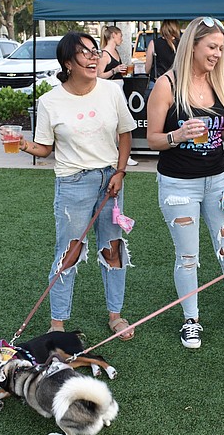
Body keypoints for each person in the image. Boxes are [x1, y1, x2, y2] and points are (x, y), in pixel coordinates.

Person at [146, 16, 224, 349]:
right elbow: (152, 139)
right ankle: (191, 321)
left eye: (221, 48)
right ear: (192, 46)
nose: (217, 54)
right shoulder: (167, 85)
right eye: (212, 47)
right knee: (187, 257)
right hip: (179, 185)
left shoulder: (219, 80)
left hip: (218, 181)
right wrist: (178, 134)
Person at [17, 31, 137, 340]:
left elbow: (125, 133)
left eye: (95, 51)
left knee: (113, 248)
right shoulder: (49, 102)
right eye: (85, 53)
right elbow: (45, 148)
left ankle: (116, 316)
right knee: (69, 252)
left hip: (111, 179)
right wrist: (23, 144)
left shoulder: (111, 91)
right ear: (68, 63)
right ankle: (57, 323)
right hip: (73, 183)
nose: (94, 57)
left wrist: (120, 172)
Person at [98, 26, 138, 166]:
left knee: (121, 123)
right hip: (110, 90)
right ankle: (122, 155)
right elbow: (99, 75)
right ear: (113, 35)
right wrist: (114, 70)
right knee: (118, 123)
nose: (122, 39)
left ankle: (123, 154)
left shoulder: (115, 52)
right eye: (120, 36)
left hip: (118, 88)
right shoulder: (105, 54)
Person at [145, 19, 181, 91]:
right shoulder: (182, 43)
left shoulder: (154, 43)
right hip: (176, 82)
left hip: (157, 82)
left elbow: (147, 69)